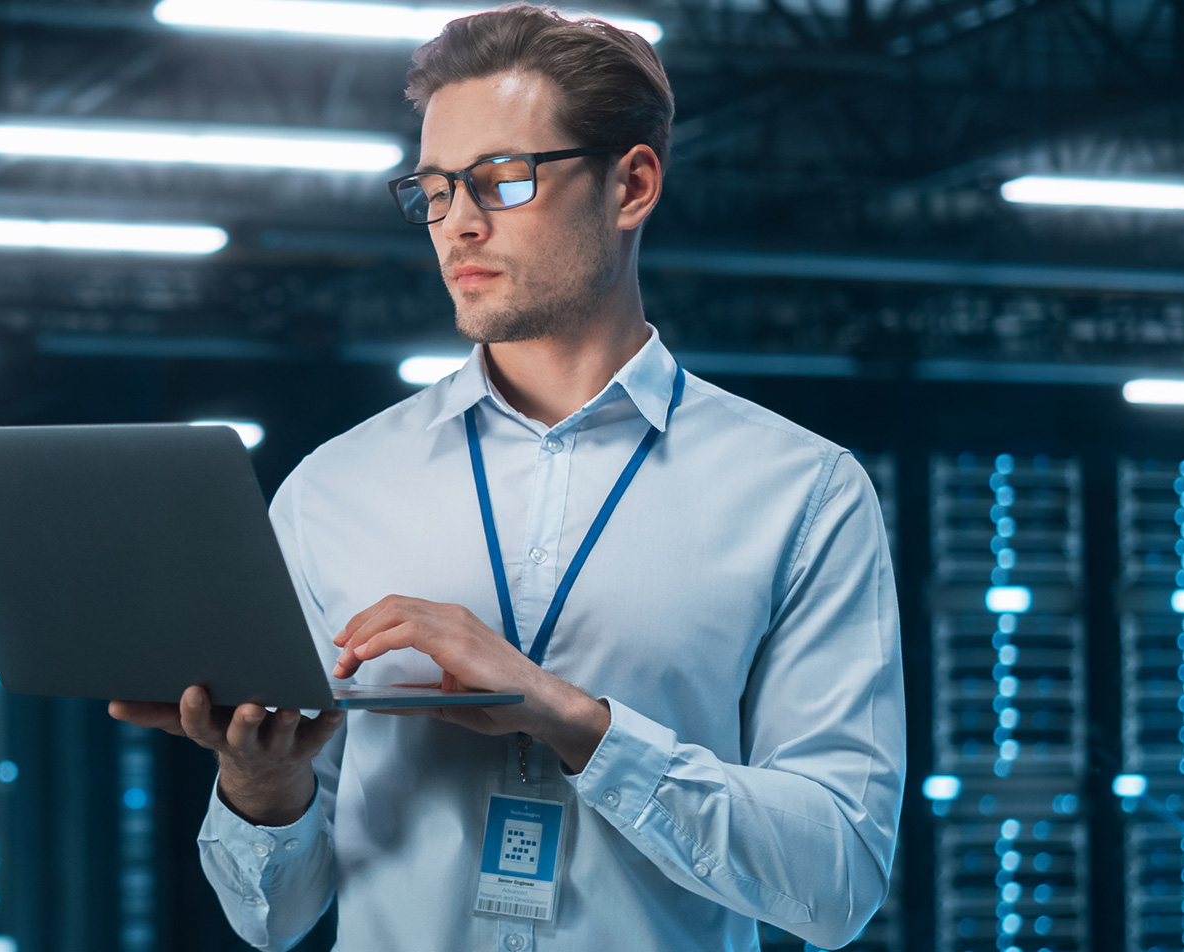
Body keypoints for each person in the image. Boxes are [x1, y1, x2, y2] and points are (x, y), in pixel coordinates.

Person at [106, 5, 905, 950]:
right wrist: (263, 790)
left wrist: (576, 723)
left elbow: (839, 883)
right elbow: (271, 918)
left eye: (502, 179)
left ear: (631, 184)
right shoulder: (332, 491)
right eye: (436, 189)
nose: (459, 226)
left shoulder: (803, 495)